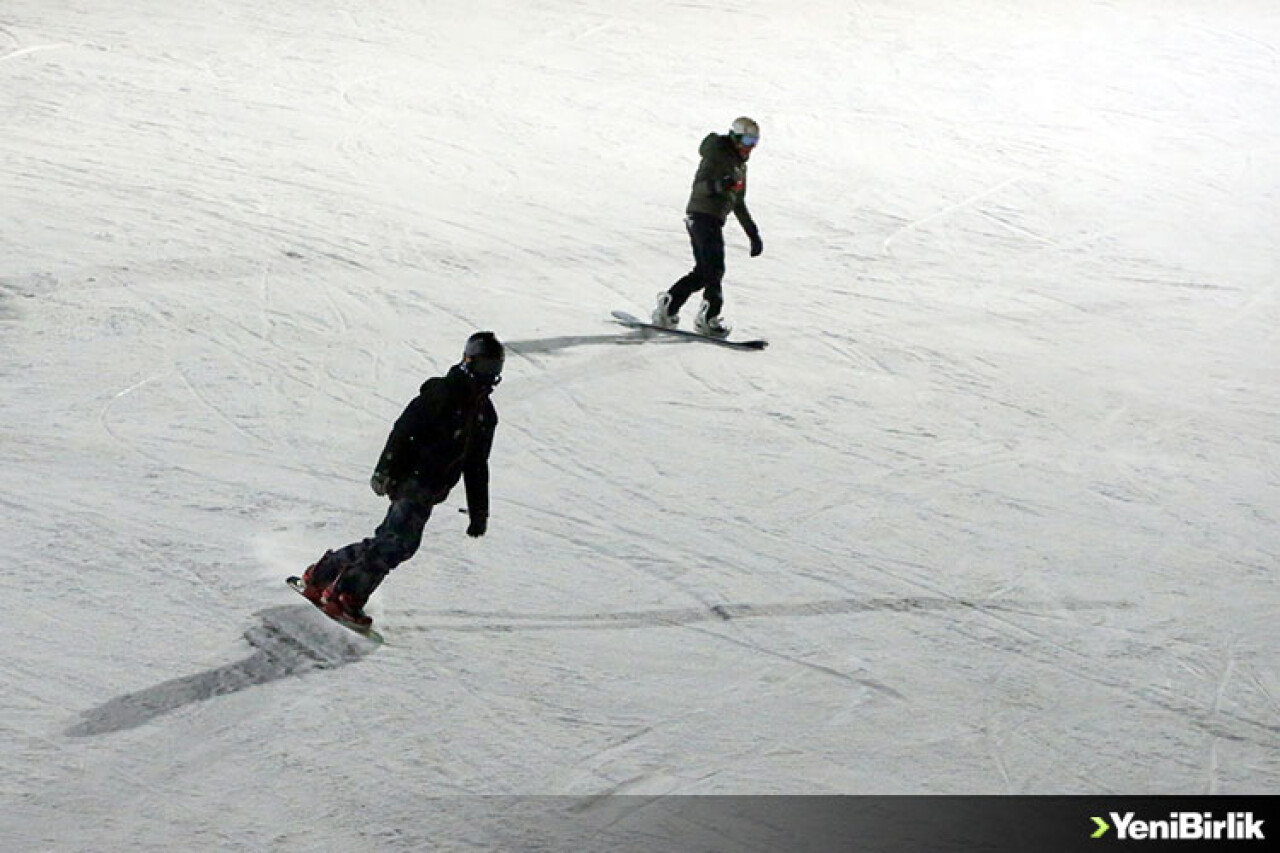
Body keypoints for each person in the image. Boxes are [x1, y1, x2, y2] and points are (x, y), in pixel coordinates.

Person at [298, 331, 504, 627]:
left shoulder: (485, 414)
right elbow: (404, 430)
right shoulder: (443, 392)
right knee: (397, 544)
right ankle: (347, 593)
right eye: (486, 368)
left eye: (495, 370)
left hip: (433, 488)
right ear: (469, 362)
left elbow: (476, 466)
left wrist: (479, 512)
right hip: (412, 478)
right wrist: (385, 469)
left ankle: (324, 573)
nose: (491, 376)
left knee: (391, 542)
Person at [652, 116, 764, 337]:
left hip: (710, 219)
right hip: (703, 215)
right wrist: (720, 184)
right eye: (748, 140)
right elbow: (701, 186)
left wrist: (753, 234)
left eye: (755, 142)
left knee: (704, 272)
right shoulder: (717, 155)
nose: (750, 147)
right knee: (715, 269)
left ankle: (669, 305)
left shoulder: (739, 166)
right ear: (735, 137)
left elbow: (738, 202)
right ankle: (709, 317)